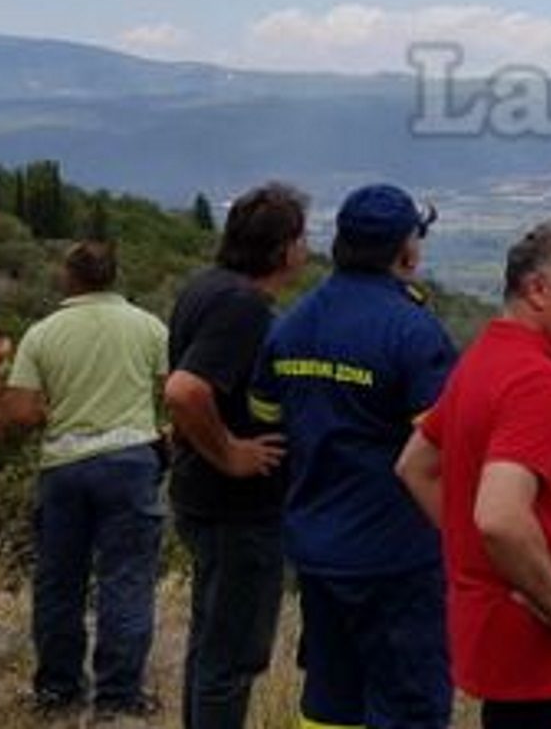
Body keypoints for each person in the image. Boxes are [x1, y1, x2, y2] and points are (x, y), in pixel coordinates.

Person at [395, 222, 551, 729]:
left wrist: (487, 564)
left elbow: (416, 466)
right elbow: (500, 517)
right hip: (546, 650)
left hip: (514, 641)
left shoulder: (487, 357)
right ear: (537, 289)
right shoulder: (533, 381)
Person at [250, 184, 456, 729]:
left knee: (330, 702)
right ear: (405, 252)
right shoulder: (414, 332)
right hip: (397, 556)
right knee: (409, 704)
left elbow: (264, 416)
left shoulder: (292, 324)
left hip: (316, 545)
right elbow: (446, 449)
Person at [0, 241, 169, 718]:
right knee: (127, 581)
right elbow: (173, 387)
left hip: (65, 466)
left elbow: (20, 411)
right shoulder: (148, 326)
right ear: (113, 277)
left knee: (59, 583)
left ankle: (57, 689)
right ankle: (118, 697)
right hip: (132, 461)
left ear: (67, 276)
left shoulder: (42, 333)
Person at [164, 182, 305, 729]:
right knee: (233, 655)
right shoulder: (243, 305)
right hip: (235, 507)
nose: (305, 250)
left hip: (207, 499)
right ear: (281, 249)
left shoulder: (208, 288)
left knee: (211, 645)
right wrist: (230, 454)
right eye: (299, 239)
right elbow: (183, 389)